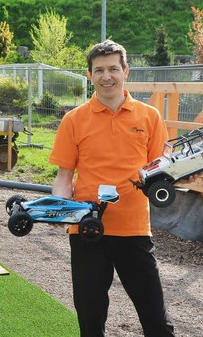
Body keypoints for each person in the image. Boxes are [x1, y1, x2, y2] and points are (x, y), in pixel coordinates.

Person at [49, 40, 175, 337]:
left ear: (125, 71)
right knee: (91, 321)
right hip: (88, 232)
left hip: (134, 231)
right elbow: (64, 178)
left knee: (157, 322)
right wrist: (60, 210)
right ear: (90, 75)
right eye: (99, 70)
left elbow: (162, 171)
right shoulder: (74, 120)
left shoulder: (149, 117)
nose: (107, 76)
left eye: (113, 69)